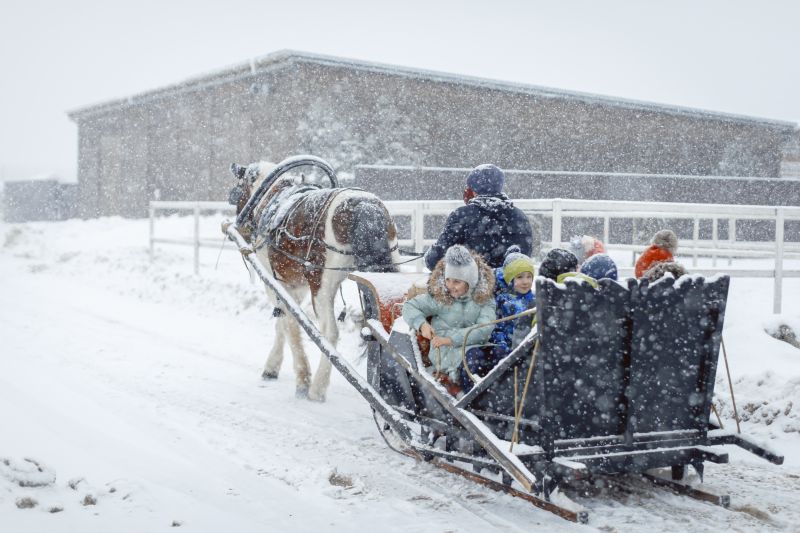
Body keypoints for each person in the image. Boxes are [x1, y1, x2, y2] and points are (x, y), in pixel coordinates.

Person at [402, 245, 496, 395]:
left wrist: (451, 339)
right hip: (446, 352)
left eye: (457, 282)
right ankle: (473, 399)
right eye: (448, 280)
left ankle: (505, 398)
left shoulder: (484, 300)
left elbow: (484, 329)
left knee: (501, 353)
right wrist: (422, 324)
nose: (451, 286)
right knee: (474, 359)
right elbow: (409, 307)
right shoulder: (441, 299)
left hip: (475, 345)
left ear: (470, 281)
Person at [424, 164, 533, 270]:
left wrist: (430, 255)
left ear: (473, 189)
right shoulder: (519, 217)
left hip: (472, 285)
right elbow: (524, 257)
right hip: (510, 284)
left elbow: (436, 260)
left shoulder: (462, 215)